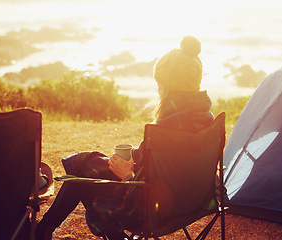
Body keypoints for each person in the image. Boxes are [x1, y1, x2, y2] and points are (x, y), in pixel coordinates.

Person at [35, 36, 215, 240]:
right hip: (191, 202)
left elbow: (147, 185)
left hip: (148, 207)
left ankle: (42, 231)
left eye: (160, 84)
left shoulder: (166, 131)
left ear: (169, 87)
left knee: (81, 170)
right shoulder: (207, 120)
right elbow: (171, 168)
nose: (158, 89)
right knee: (88, 164)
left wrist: (128, 176)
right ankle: (43, 230)